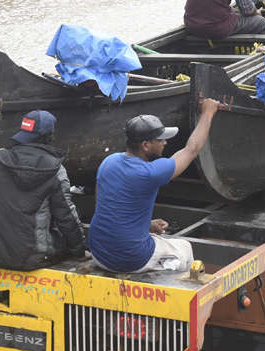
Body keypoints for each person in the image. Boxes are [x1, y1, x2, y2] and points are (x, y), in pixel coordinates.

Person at [88, 99, 220, 273]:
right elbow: (191, 149)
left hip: (98, 254)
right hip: (130, 260)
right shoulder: (150, 173)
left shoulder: (108, 162)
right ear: (145, 145)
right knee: (185, 248)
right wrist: (208, 112)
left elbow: (105, 207)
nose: (165, 143)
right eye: (161, 139)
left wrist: (145, 225)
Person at [0, 103, 86, 271]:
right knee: (61, 238)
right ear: (50, 136)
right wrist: (80, 251)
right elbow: (67, 218)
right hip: (29, 260)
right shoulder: (56, 172)